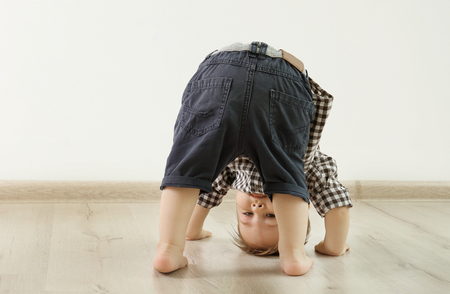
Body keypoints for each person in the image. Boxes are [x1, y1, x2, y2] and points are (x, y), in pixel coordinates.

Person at [153, 42, 349, 276]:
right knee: (286, 180)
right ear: (304, 205)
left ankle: (169, 248)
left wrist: (192, 230)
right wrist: (334, 247)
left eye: (248, 215)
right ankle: (293, 254)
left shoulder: (230, 172)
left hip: (224, 69)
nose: (256, 206)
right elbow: (336, 204)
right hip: (278, 81)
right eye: (270, 215)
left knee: (189, 168)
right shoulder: (307, 172)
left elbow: (203, 196)